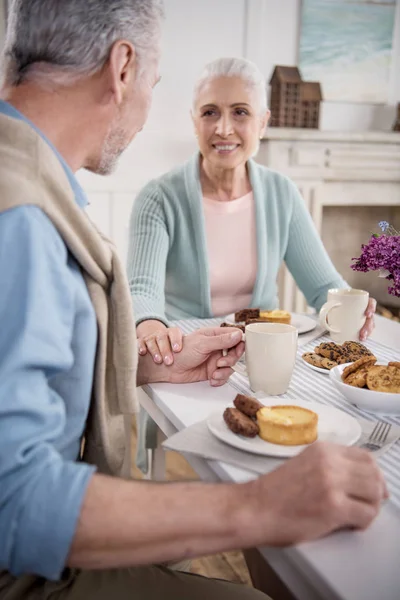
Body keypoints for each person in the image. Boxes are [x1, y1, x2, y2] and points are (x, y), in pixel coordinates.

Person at [0, 3, 386, 600]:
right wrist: (257, 507)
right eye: (158, 85)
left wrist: (141, 361)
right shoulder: (22, 215)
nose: (222, 128)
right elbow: (15, 502)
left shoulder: (33, 181)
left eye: (238, 113)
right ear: (123, 68)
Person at [127, 57, 376, 367]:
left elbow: (323, 288)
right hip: (185, 358)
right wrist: (151, 329)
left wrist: (352, 305)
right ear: (194, 122)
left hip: (263, 359)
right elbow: (141, 291)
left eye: (240, 112)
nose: (223, 128)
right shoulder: (158, 198)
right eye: (210, 112)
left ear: (262, 123)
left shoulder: (282, 193)